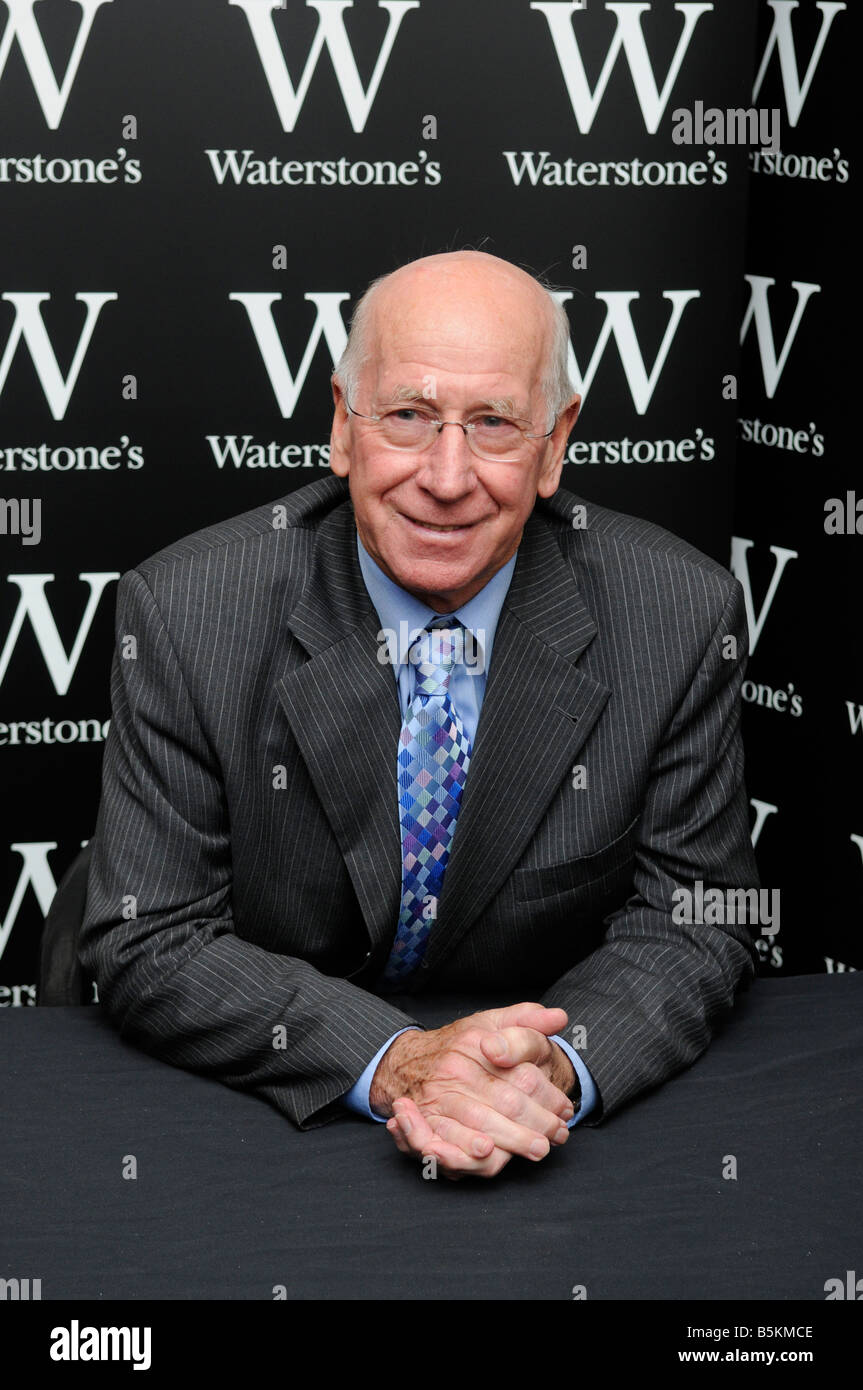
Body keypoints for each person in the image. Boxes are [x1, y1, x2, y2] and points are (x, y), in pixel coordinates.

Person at [80, 250, 759, 1180]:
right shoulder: (188, 612)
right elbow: (146, 932)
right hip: (262, 1120)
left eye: (492, 425)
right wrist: (399, 1061)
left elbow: (695, 916)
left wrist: (551, 1066)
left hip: (527, 1112)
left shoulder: (679, 616)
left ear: (555, 443)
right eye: (406, 416)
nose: (445, 477)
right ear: (342, 428)